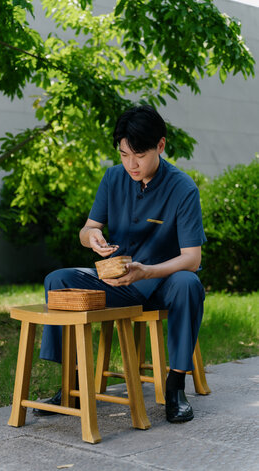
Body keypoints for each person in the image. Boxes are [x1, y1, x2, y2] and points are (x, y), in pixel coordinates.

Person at [36, 104, 207, 423]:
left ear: (160, 145)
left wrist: (148, 271)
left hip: (162, 284)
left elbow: (192, 258)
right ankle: (71, 387)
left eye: (139, 155)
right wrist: (93, 237)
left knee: (189, 284)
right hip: (117, 281)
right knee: (57, 280)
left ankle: (175, 388)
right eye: (124, 154)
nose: (132, 164)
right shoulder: (114, 178)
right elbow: (87, 228)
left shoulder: (183, 188)